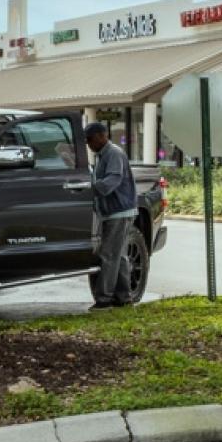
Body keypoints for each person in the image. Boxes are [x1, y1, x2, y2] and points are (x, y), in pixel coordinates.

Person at [84, 121, 138, 309]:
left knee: (108, 255)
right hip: (113, 212)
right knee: (118, 255)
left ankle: (104, 299)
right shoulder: (100, 155)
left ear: (101, 136)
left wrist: (89, 188)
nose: (88, 144)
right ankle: (124, 297)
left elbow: (111, 181)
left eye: (90, 140)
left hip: (119, 211)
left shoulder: (113, 153)